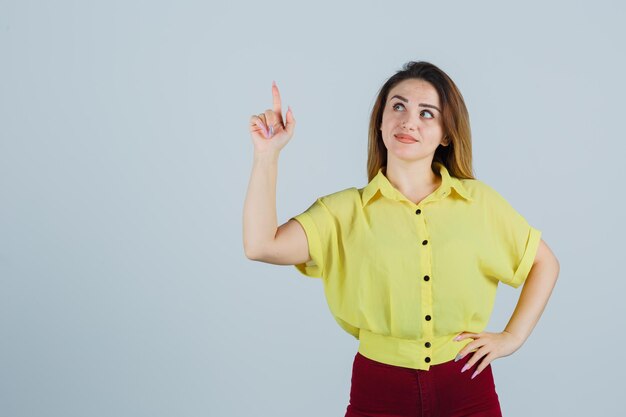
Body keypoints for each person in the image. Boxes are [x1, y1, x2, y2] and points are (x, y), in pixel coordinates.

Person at [243, 61, 560, 417]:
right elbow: (261, 245)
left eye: (427, 113)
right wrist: (266, 156)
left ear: (446, 133)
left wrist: (512, 337)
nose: (409, 121)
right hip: (379, 389)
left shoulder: (479, 203)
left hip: (466, 383)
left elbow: (543, 261)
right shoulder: (342, 212)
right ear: (380, 121)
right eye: (398, 106)